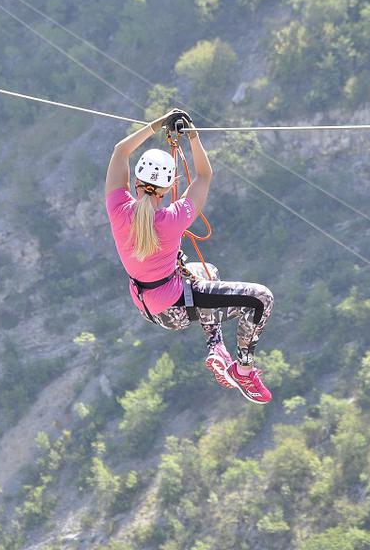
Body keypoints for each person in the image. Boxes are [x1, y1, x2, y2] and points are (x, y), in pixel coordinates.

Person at [104, 109, 274, 404]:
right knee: (261, 299)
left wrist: (157, 124)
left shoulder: (117, 208)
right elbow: (204, 176)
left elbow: (121, 151)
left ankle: (216, 347)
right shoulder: (173, 218)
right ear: (169, 188)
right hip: (176, 307)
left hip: (150, 305)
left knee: (209, 271)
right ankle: (244, 369)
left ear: (135, 182)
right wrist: (193, 136)